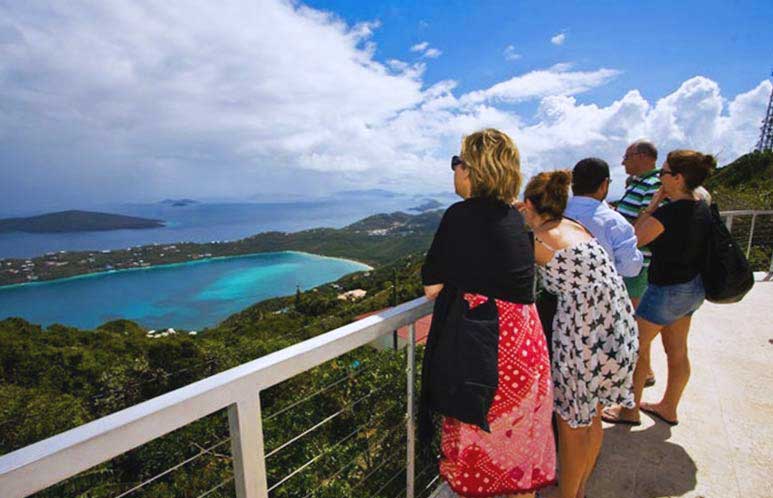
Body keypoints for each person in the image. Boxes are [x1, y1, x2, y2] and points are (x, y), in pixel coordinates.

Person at [421, 129, 555, 498]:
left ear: (473, 170)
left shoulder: (460, 215)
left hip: (487, 356)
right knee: (517, 463)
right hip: (527, 350)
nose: (454, 170)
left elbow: (431, 286)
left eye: (456, 162)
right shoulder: (517, 218)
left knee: (480, 458)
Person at [519, 171, 638, 498]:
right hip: (617, 328)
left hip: (582, 335)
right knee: (593, 416)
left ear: (529, 204)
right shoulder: (575, 226)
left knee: (571, 426)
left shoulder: (538, 241)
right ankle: (581, 488)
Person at [602, 150, 714, 427]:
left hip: (666, 290)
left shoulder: (670, 212)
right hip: (692, 288)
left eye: (663, 173)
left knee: (635, 347)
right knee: (677, 350)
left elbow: (635, 240)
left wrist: (652, 208)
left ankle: (629, 411)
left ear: (677, 178)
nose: (660, 177)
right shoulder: (703, 206)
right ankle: (669, 407)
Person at [617, 140, 662, 386]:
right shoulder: (641, 184)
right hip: (634, 263)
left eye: (628, 156)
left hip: (640, 266)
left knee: (635, 326)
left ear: (643, 156)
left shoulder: (653, 186)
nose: (624, 161)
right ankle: (646, 372)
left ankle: (640, 376)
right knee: (636, 325)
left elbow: (649, 226)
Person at [565, 157, 644, 278]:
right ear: (604, 184)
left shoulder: (554, 214)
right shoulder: (615, 222)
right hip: (602, 293)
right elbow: (630, 269)